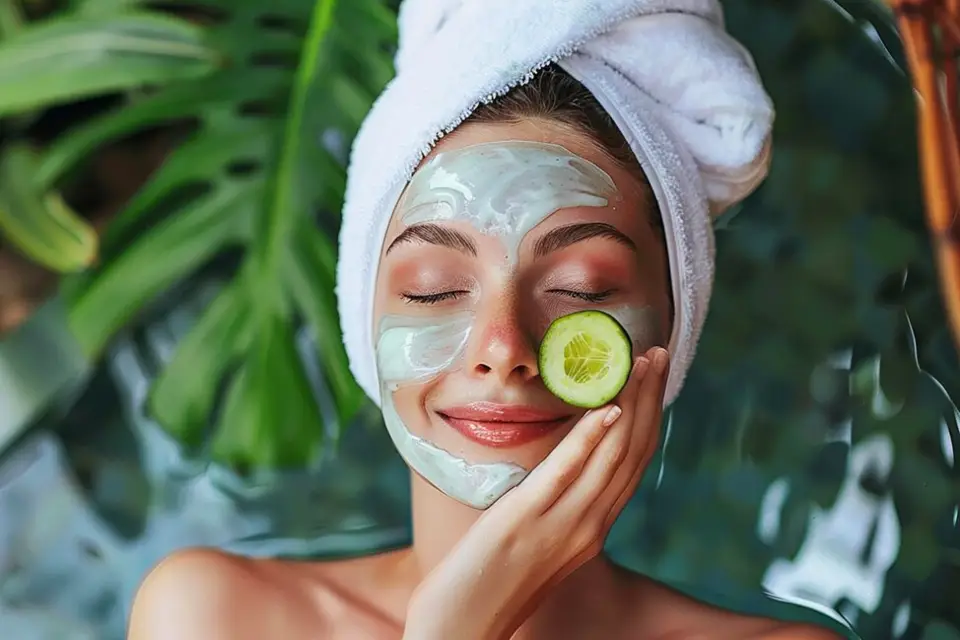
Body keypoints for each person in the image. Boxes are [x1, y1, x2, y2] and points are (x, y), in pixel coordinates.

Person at [128, 0, 845, 638]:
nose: (503, 348)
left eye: (581, 290)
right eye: (435, 290)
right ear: (361, 317)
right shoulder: (212, 619)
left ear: (675, 326)